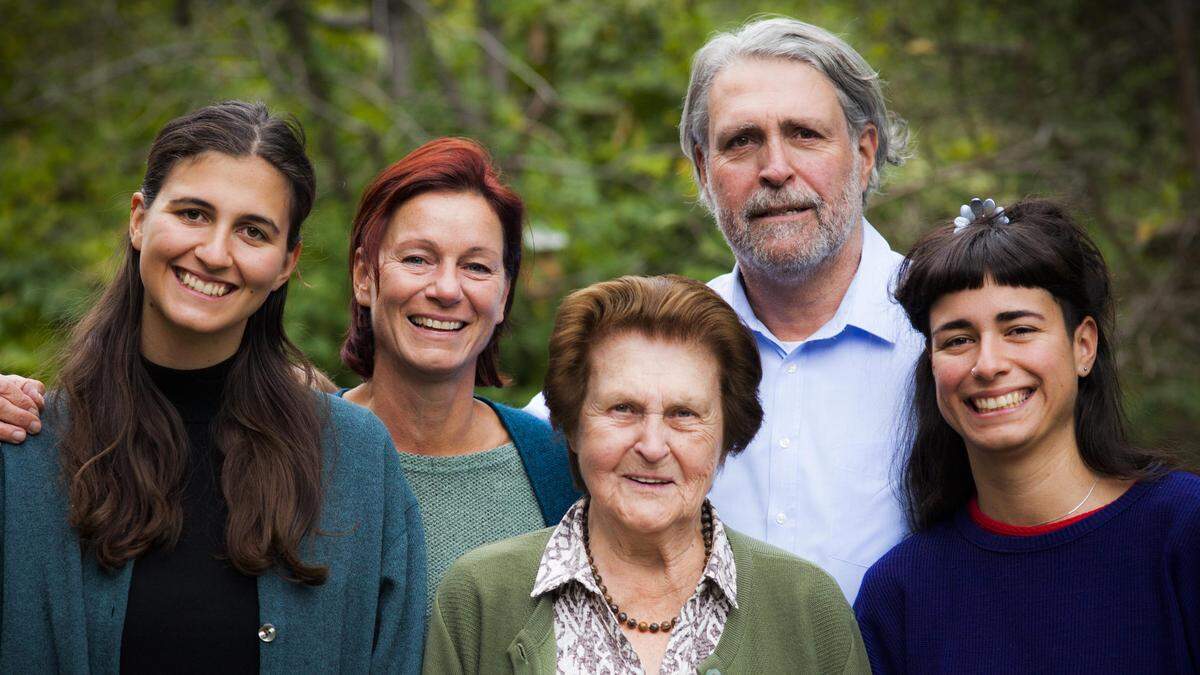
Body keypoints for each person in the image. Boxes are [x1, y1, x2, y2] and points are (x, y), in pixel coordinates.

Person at [0, 101, 425, 672]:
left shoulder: (354, 458)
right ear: (137, 219)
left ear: (284, 263)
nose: (215, 253)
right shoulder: (27, 453)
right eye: (193, 213)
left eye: (253, 231)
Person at [524, 17, 922, 601]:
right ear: (703, 169)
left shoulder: (947, 335)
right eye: (742, 142)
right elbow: (507, 450)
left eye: (805, 134)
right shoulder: (661, 340)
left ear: (864, 154)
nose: (776, 168)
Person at [424, 275, 869, 674]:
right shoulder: (479, 598)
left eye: (683, 414)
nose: (653, 446)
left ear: (727, 436)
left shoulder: (808, 608)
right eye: (623, 409)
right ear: (572, 425)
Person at [853, 198, 1200, 672]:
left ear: (1083, 346)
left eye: (1018, 329)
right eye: (957, 339)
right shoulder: (901, 593)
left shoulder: (1182, 531)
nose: (988, 364)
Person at [336, 137, 577, 606]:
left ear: (504, 295)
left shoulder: (557, 470)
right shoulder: (290, 447)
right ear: (365, 277)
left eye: (476, 266)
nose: (447, 289)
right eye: (417, 259)